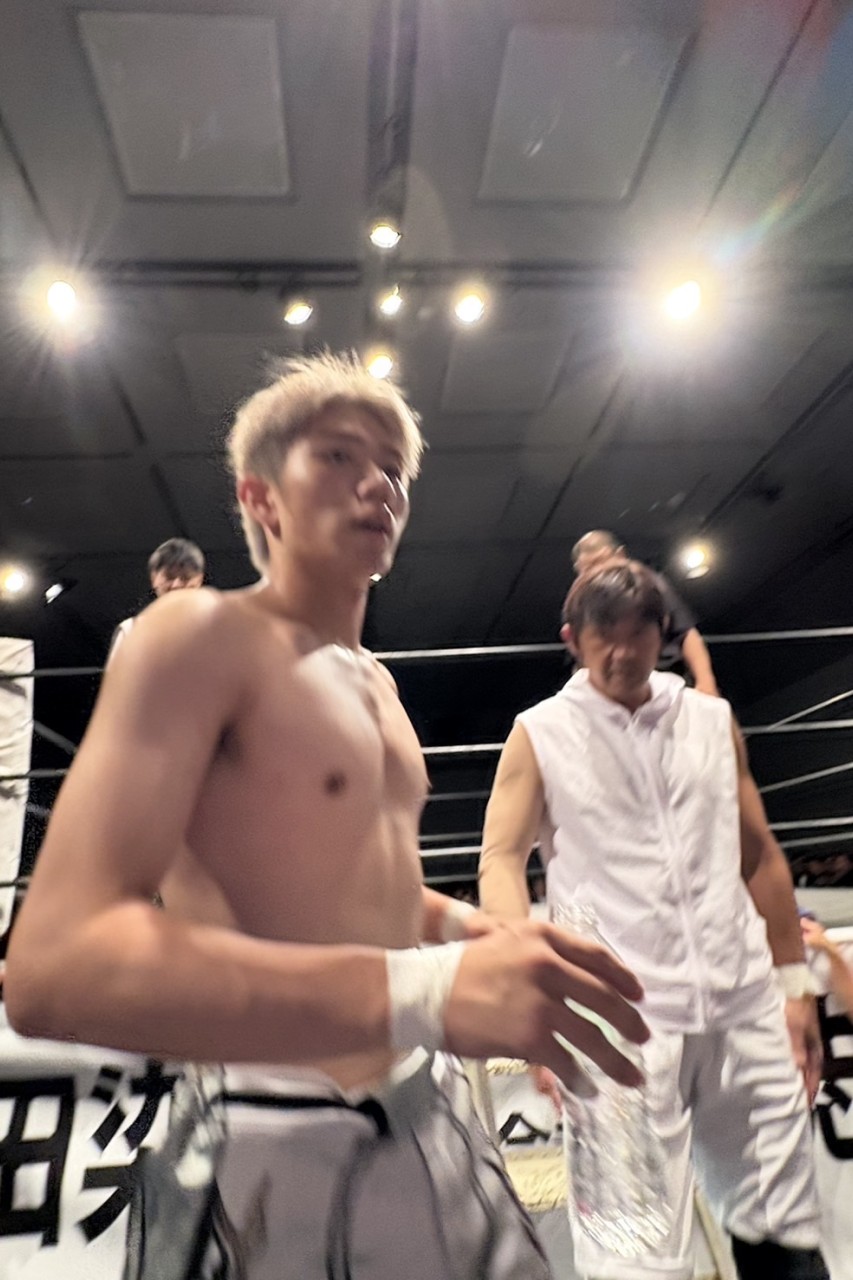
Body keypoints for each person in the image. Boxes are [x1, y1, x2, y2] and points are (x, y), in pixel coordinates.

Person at [4, 354, 649, 1280]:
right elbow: (51, 970)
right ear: (260, 497)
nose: (377, 482)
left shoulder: (375, 682)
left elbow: (349, 887)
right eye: (340, 456)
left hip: (423, 1097)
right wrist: (425, 991)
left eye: (392, 467)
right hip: (270, 1117)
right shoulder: (195, 634)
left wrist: (471, 930)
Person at [478, 558, 828, 1280]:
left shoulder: (710, 721)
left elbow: (759, 855)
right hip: (618, 1025)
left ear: (662, 633)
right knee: (633, 1256)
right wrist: (533, 1002)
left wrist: (795, 987)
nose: (621, 653)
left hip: (741, 1004)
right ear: (572, 639)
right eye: (603, 636)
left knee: (783, 1228)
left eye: (638, 635)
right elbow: (500, 862)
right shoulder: (540, 733)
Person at [572, 529, 719, 695]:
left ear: (620, 555)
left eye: (601, 562)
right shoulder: (582, 603)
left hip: (668, 681)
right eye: (588, 568)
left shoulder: (648, 586)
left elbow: (686, 633)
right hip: (616, 688)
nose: (597, 572)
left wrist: (706, 682)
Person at [107, 537, 206, 664]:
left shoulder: (220, 629)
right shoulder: (130, 630)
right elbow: (117, 677)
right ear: (154, 578)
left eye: (185, 577)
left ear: (199, 579)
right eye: (169, 577)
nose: (176, 585)